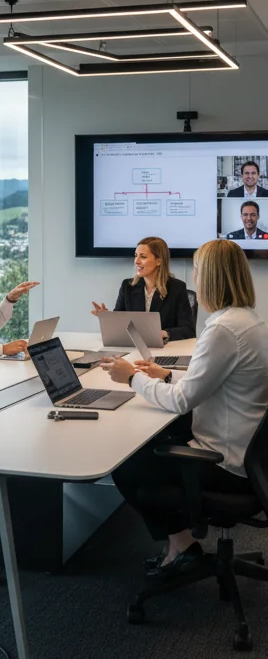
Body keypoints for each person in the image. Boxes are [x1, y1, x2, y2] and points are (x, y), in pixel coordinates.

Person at [100, 238, 268, 578]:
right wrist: (167, 374)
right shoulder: (250, 320)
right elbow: (212, 377)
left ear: (212, 277)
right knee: (156, 443)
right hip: (251, 454)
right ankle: (180, 546)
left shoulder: (222, 329)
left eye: (199, 271)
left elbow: (181, 400)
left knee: (124, 465)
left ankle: (181, 545)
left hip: (225, 463)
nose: (194, 280)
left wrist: (132, 378)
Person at [90, 236, 195, 342]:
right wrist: (107, 318)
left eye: (143, 257)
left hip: (165, 349)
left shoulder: (177, 288)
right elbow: (120, 325)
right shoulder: (127, 286)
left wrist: (162, 333)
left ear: (158, 261)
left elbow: (188, 330)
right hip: (134, 348)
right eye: (136, 256)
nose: (136, 261)